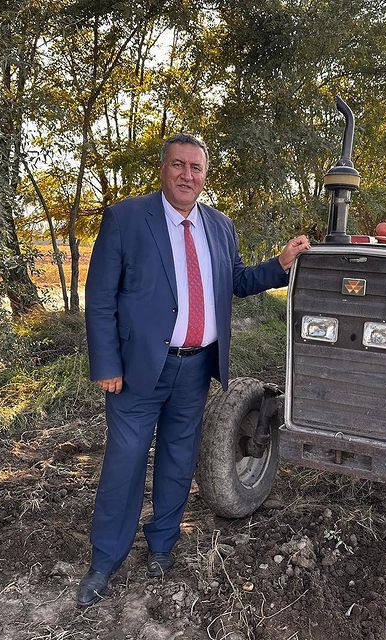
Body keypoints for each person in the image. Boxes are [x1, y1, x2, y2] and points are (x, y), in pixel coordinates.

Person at [77, 133, 310, 607]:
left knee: (179, 461)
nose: (187, 175)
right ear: (163, 170)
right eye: (179, 165)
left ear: (205, 176)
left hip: (196, 368)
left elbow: (237, 281)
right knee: (124, 466)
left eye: (196, 168)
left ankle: (162, 546)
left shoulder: (220, 226)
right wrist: (106, 363)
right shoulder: (126, 219)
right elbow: (100, 298)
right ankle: (104, 562)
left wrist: (281, 265)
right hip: (136, 372)